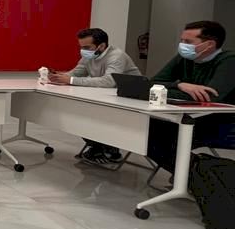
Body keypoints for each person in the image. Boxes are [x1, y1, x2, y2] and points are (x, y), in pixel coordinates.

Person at [147, 20, 234, 175]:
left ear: (209, 45)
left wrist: (166, 89)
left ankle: (194, 176)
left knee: (158, 136)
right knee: (147, 130)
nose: (182, 45)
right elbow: (153, 83)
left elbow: (209, 98)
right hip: (190, 117)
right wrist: (179, 85)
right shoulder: (184, 59)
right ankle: (192, 177)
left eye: (188, 42)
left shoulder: (229, 61)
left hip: (221, 124)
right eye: (182, 40)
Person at [48, 27, 143, 164]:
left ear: (101, 46)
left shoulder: (117, 56)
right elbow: (76, 73)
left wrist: (70, 80)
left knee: (91, 116)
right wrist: (59, 77)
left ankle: (109, 150)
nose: (83, 51)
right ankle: (97, 147)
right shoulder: (89, 56)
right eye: (81, 47)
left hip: (130, 100)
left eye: (87, 47)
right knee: (76, 114)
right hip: (106, 96)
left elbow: (109, 82)